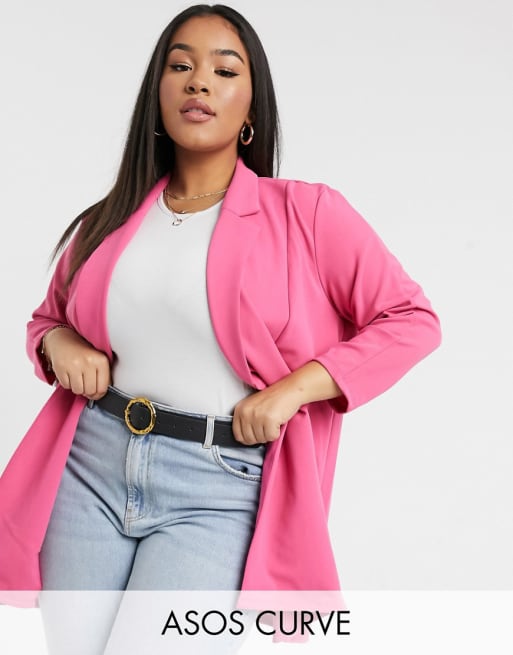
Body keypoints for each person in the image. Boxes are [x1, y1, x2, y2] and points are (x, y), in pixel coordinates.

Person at [0, 3, 441, 653]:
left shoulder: (307, 214)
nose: (199, 81)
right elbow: (49, 320)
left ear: (251, 108)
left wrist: (292, 390)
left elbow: (411, 320)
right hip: (89, 468)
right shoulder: (108, 219)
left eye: (224, 70)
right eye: (180, 66)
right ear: (158, 96)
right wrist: (58, 343)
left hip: (218, 487)